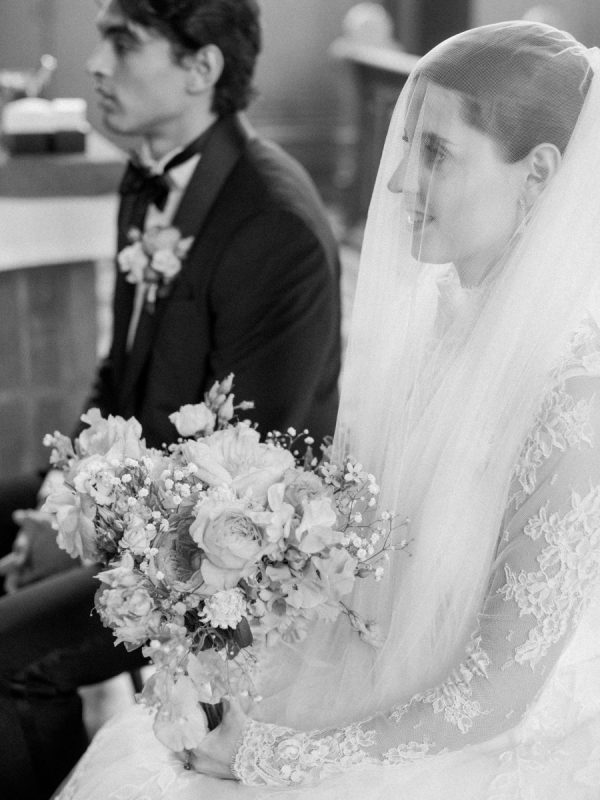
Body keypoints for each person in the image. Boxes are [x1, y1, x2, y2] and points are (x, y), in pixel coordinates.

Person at [55, 19, 600, 800]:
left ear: (539, 173)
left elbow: (499, 690)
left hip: (485, 736)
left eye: (435, 152)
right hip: (367, 664)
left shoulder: (576, 395)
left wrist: (276, 757)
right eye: (405, 147)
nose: (399, 181)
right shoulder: (436, 317)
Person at [0, 0, 341, 797]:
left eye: (123, 42)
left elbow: (240, 492)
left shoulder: (273, 226)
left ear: (201, 68)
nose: (96, 63)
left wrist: (80, 538)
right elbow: (117, 381)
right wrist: (60, 505)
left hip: (216, 559)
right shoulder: (148, 176)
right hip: (136, 497)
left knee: (11, 655)